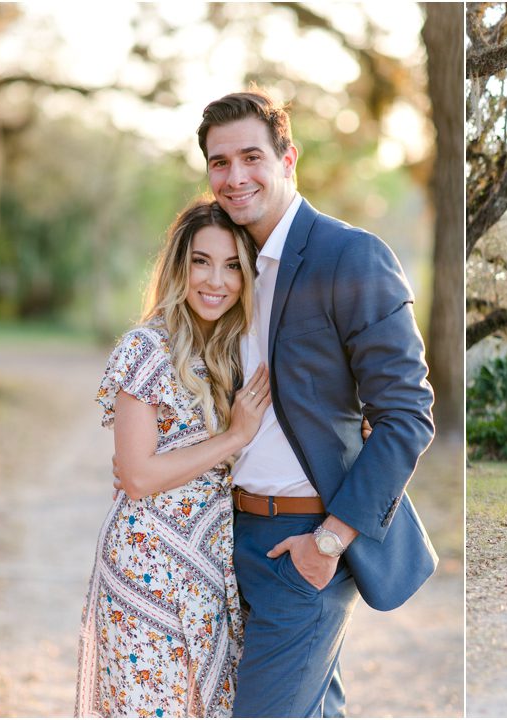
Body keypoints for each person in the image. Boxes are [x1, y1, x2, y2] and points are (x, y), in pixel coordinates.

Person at [195, 90, 437, 717]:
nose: (236, 176)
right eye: (220, 163)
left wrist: (328, 541)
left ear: (288, 158)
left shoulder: (349, 255)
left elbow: (407, 414)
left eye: (252, 156)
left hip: (304, 541)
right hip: (233, 536)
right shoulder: (231, 263)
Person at [76, 200, 272, 717]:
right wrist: (234, 438)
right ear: (179, 266)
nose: (217, 280)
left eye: (233, 266)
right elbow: (138, 477)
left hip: (209, 566)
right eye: (202, 261)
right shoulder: (146, 348)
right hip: (147, 569)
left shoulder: (232, 351)